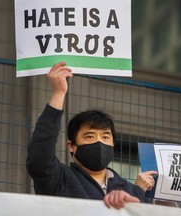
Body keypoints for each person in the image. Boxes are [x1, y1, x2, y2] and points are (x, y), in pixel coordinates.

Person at [26, 62, 154, 209]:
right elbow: (39, 158)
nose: (99, 142)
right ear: (71, 146)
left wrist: (137, 197)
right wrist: (58, 93)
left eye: (105, 137)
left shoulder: (130, 190)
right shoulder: (60, 179)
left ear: (113, 144)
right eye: (90, 137)